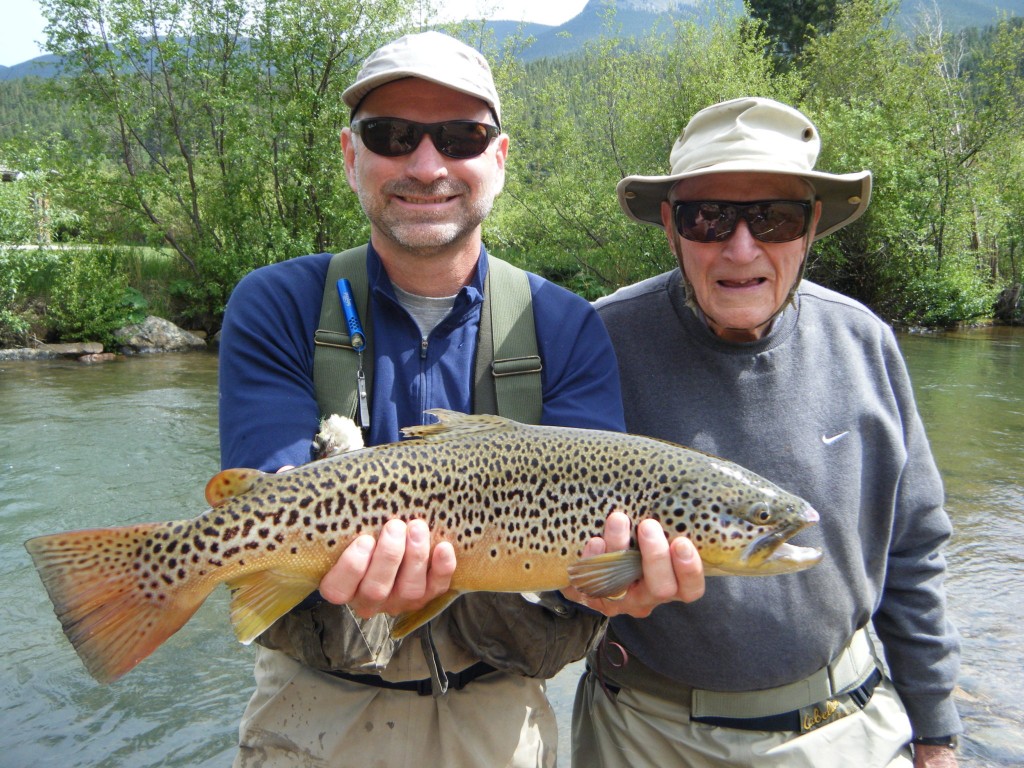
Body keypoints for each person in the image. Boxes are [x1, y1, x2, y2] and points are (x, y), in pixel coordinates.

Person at [217, 31, 703, 768]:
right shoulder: (277, 304)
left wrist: (614, 586)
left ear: (498, 162)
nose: (426, 164)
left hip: (498, 717)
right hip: (311, 715)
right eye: (390, 136)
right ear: (352, 157)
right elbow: (265, 500)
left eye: (460, 137)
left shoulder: (564, 325)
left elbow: (596, 531)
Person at [573, 97, 962, 768]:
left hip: (842, 728)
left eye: (774, 217)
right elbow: (533, 550)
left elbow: (915, 552)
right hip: (639, 733)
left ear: (812, 226)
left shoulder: (866, 343)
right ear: (671, 225)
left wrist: (938, 733)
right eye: (710, 217)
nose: (741, 246)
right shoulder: (596, 341)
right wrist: (580, 589)